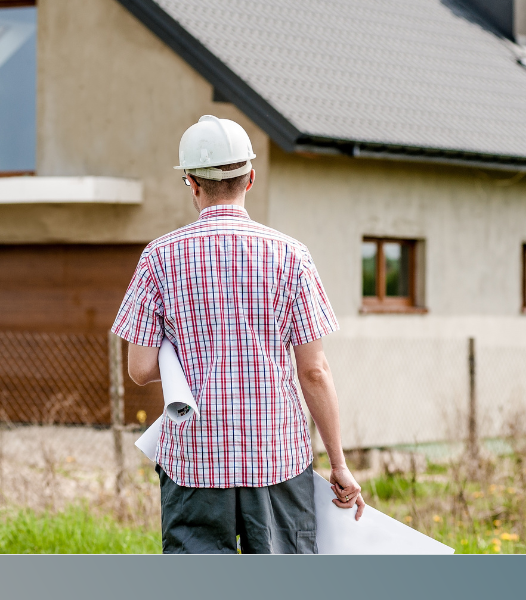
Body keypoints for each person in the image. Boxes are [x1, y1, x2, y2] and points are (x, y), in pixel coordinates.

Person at [111, 115, 364, 554]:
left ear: (191, 183)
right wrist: (338, 464)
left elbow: (140, 368)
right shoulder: (291, 256)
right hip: (276, 459)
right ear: (250, 177)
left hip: (193, 463)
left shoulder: (158, 258)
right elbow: (315, 372)